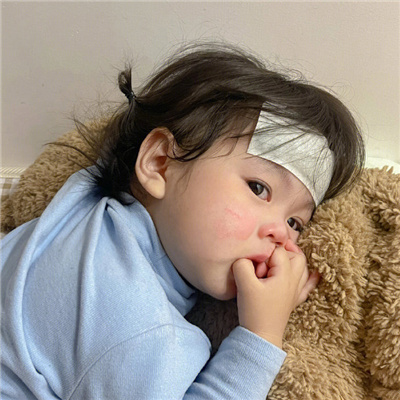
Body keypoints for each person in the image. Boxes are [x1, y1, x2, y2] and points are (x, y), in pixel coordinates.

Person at [1, 43, 364, 399]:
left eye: (296, 223)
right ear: (159, 164)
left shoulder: (87, 209)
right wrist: (262, 334)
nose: (281, 234)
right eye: (259, 188)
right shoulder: (137, 325)